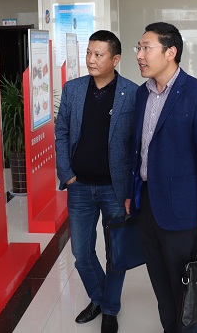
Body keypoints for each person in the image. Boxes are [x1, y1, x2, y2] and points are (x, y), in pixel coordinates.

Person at [125, 22, 197, 333]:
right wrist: (130, 192)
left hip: (182, 210)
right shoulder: (142, 94)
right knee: (161, 287)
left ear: (170, 52)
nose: (139, 55)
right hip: (147, 204)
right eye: (138, 48)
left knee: (186, 290)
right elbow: (138, 149)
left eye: (146, 48)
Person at [55, 30, 137, 333]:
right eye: (89, 52)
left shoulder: (132, 92)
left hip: (115, 189)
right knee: (81, 254)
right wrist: (67, 174)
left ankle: (109, 310)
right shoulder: (73, 89)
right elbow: (61, 132)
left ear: (115, 59)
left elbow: (137, 145)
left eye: (98, 54)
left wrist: (131, 190)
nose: (91, 59)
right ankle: (102, 298)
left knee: (116, 254)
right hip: (79, 187)